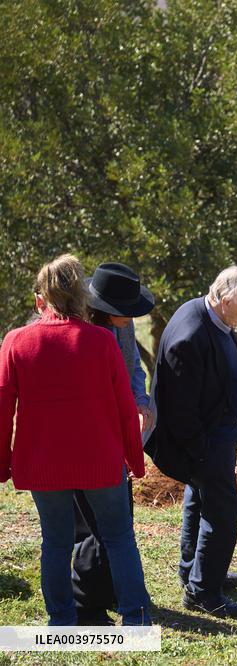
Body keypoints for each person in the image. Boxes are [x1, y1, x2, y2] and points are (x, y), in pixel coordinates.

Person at [0, 255, 151, 626]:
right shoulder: (101, 341)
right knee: (119, 538)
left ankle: (61, 622)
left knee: (55, 542)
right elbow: (124, 409)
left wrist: (3, 464)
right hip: (100, 461)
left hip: (42, 464)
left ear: (41, 299)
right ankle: (136, 620)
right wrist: (135, 460)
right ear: (83, 296)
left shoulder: (16, 342)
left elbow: (2, 411)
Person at [148, 267, 237, 618]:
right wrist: (203, 454)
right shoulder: (190, 336)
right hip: (201, 441)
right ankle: (203, 592)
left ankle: (194, 571)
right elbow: (180, 411)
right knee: (222, 510)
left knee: (199, 500)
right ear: (225, 301)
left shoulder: (215, 315)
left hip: (213, 432)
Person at [72, 263, 155, 626]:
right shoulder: (81, 332)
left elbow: (134, 366)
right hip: (90, 436)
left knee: (118, 522)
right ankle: (86, 604)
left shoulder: (122, 322)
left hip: (117, 433)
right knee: (95, 527)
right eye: (125, 313)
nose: (130, 319)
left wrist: (139, 400)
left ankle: (109, 593)